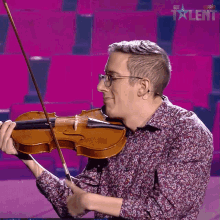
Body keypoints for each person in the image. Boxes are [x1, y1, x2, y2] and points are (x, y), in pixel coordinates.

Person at [0, 40, 213, 219]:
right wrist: (25, 154)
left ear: (143, 87)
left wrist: (91, 201)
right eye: (104, 77)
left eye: (111, 78)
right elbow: (71, 203)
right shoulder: (107, 133)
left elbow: (164, 212)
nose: (101, 87)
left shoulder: (187, 132)